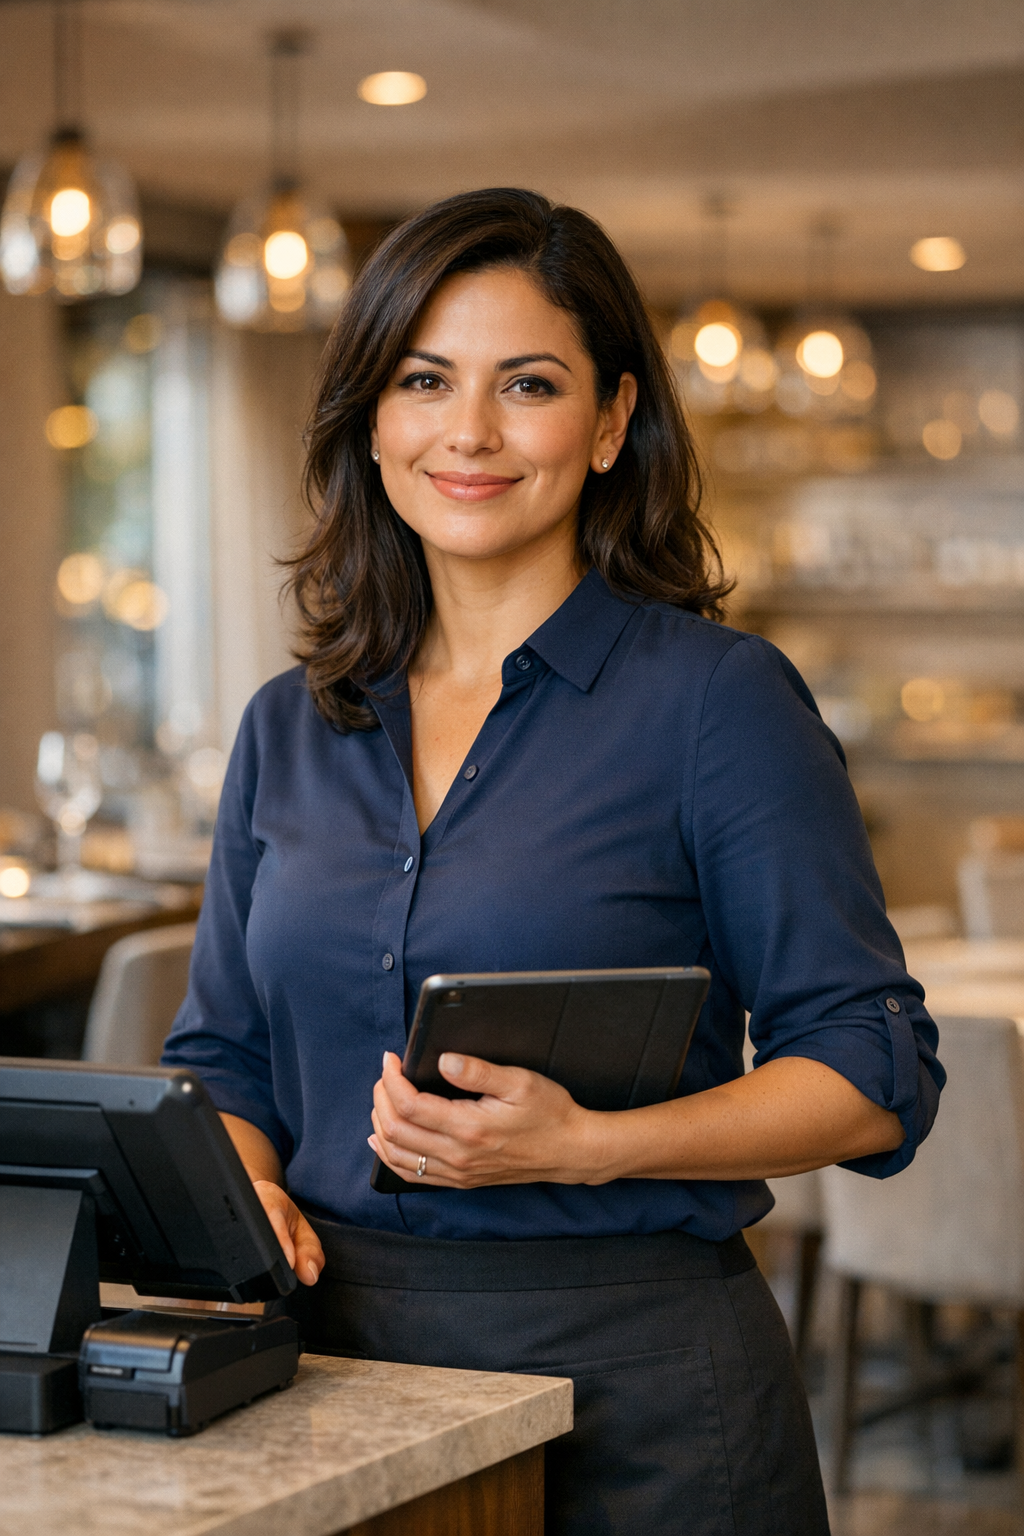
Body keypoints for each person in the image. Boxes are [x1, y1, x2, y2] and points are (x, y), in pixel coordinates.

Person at [163, 187, 943, 1535]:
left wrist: (591, 1146)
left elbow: (874, 1072)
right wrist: (253, 1191)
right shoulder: (290, 725)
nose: (468, 431)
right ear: (371, 417)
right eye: (424, 381)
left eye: (527, 384)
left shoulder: (717, 705)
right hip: (325, 1382)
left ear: (612, 421)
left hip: (644, 1396)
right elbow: (225, 1060)